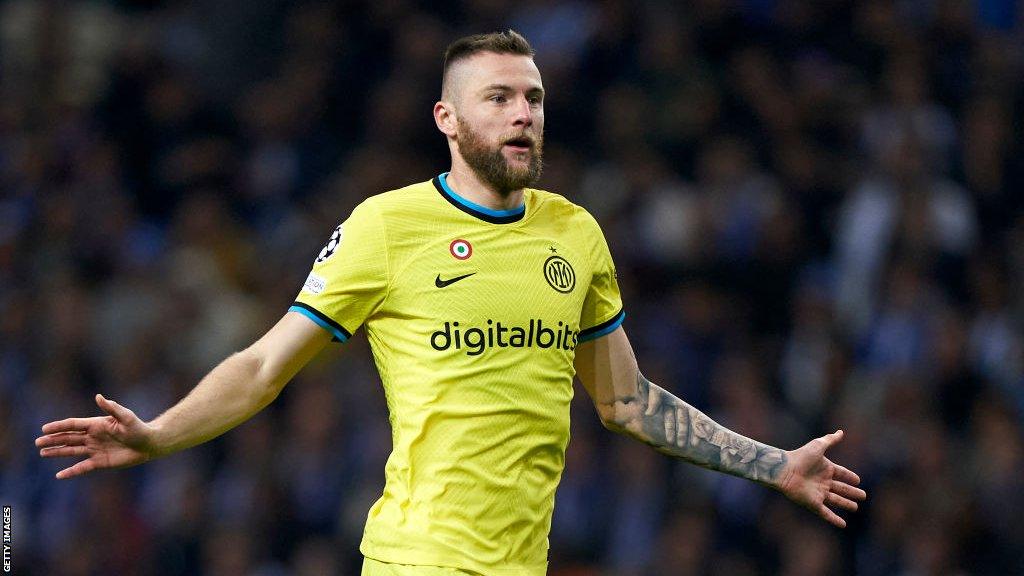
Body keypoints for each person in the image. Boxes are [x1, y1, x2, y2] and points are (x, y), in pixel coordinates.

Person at [36, 30, 866, 576]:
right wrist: (159, 436)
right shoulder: (387, 227)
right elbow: (262, 366)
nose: (523, 115)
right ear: (447, 118)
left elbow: (625, 402)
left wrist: (773, 463)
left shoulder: (574, 236)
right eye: (499, 99)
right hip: (416, 561)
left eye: (533, 99)